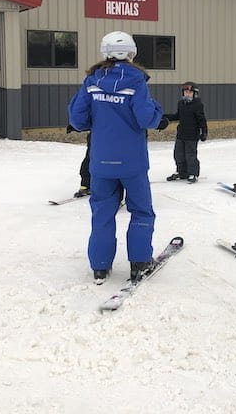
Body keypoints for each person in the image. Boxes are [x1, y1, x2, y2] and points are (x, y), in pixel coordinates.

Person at [68, 31, 170, 284]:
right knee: (142, 212)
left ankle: (100, 267)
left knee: (102, 213)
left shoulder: (91, 81)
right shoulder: (136, 81)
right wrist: (159, 114)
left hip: (100, 163)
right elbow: (147, 117)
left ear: (105, 52)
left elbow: (78, 120)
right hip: (132, 163)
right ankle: (139, 262)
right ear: (132, 53)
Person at [165, 81, 208, 183]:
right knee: (178, 154)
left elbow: (202, 119)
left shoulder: (197, 105)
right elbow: (177, 116)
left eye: (189, 92)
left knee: (190, 155)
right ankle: (182, 172)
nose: (187, 94)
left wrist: (204, 132)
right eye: (185, 92)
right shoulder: (181, 103)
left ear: (195, 94)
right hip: (181, 134)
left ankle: (193, 173)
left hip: (192, 135)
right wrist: (166, 117)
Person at [65, 126, 92, 198]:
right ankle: (85, 186)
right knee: (88, 162)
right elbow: (87, 121)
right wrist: (75, 126)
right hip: (96, 137)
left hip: (117, 137)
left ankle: (117, 189)